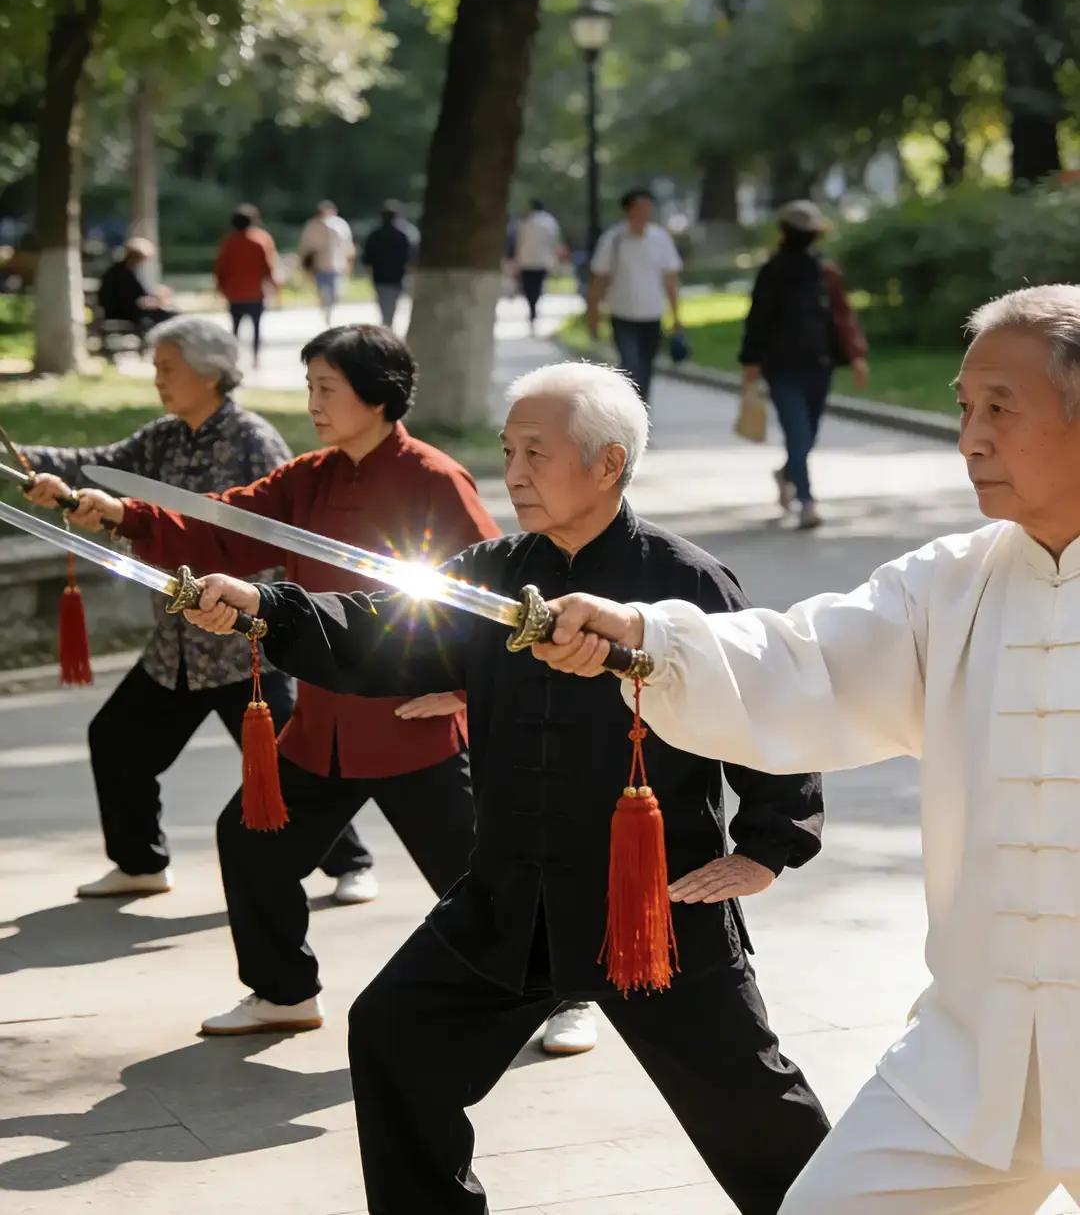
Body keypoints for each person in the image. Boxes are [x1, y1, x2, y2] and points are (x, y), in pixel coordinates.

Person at [185, 360, 829, 1213]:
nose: (514, 473)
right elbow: (384, 628)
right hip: (509, 897)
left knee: (756, 1111)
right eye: (508, 451)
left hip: (649, 904)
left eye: (536, 453)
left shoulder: (683, 582)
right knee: (395, 1037)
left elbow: (765, 702)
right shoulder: (489, 572)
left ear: (608, 463)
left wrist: (770, 846)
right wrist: (269, 607)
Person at [534, 284, 1080, 1213]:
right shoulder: (950, 584)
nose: (970, 439)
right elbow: (804, 656)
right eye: (963, 408)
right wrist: (644, 636)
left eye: (1001, 408)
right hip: (974, 1059)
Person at [65, 324, 499, 1035]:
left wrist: (462, 686)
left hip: (409, 725)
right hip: (321, 725)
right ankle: (285, 992)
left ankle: (561, 994)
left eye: (327, 388)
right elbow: (222, 525)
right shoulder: (308, 476)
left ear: (377, 396)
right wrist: (125, 515)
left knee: (481, 880)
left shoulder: (434, 477)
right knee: (250, 841)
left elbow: (487, 591)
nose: (314, 403)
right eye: (310, 387)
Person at [19, 317, 374, 898]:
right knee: (116, 741)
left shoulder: (254, 440)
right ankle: (141, 863)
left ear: (209, 374)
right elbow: (95, 461)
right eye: (156, 368)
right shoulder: (163, 436)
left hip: (242, 644)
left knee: (291, 763)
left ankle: (352, 863)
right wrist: (41, 469)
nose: (158, 379)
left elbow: (274, 539)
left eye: (168, 368)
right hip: (176, 647)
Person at [740, 200, 870, 531]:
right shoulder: (772, 272)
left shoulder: (825, 273)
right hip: (781, 368)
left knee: (808, 435)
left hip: (819, 365)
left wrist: (856, 356)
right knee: (797, 433)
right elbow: (758, 318)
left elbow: (842, 316)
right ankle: (806, 501)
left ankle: (787, 473)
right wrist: (751, 361)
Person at [587, 188, 683, 404]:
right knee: (630, 364)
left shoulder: (660, 239)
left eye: (648, 208)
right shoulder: (613, 240)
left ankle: (642, 408)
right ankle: (630, 406)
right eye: (640, 208)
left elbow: (670, 279)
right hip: (623, 314)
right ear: (628, 210)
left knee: (646, 366)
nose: (645, 213)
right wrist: (593, 313)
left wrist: (676, 315)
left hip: (652, 314)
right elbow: (599, 278)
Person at [214, 204, 280, 364]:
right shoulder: (261, 239)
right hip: (255, 293)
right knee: (256, 327)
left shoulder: (228, 242)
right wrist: (274, 285)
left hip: (234, 293)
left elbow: (221, 267)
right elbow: (268, 266)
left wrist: (220, 288)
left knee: (235, 328)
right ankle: (256, 358)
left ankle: (233, 358)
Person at [97, 237, 176, 333]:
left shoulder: (127, 271)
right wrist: (151, 302)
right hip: (123, 314)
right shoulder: (119, 274)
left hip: (130, 312)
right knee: (167, 316)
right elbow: (129, 301)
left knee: (168, 312)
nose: (143, 263)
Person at [298, 200, 355, 325]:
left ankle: (329, 309)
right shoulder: (312, 226)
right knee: (322, 290)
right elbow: (305, 246)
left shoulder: (340, 225)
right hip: (318, 265)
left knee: (334, 292)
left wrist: (349, 262)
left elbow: (347, 246)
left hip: (337, 264)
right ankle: (325, 308)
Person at [515, 198, 564, 331]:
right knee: (536, 286)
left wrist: (516, 260)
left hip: (526, 261)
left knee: (528, 288)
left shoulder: (526, 222)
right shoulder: (550, 222)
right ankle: (534, 308)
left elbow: (519, 242)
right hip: (542, 261)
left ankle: (532, 308)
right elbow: (555, 242)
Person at [361, 201, 412, 327]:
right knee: (392, 304)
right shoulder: (401, 236)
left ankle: (386, 323)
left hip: (379, 276)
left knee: (383, 303)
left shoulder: (374, 236)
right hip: (396, 276)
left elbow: (367, 258)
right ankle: (388, 323)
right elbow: (408, 258)